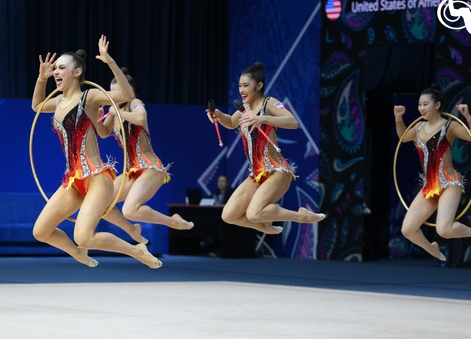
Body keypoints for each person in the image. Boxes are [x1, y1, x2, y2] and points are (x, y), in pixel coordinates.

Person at [31, 35, 161, 268]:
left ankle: (135, 250)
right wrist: (41, 79)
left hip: (97, 176)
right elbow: (37, 106)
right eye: (55, 69)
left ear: (77, 72)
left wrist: (110, 62)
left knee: (85, 237)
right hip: (73, 179)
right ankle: (78, 253)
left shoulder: (89, 97)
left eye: (61, 67)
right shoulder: (58, 102)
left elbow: (125, 95)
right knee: (41, 231)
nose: (56, 72)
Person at [206, 62, 325, 235]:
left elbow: (292, 122)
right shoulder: (245, 109)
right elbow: (232, 122)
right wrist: (218, 115)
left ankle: (301, 216)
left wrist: (263, 119)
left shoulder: (269, 103)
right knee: (229, 215)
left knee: (253, 213)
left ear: (259, 85)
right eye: (240, 85)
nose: (241, 90)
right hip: (257, 174)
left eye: (246, 85)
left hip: (277, 170)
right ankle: (264, 227)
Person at [394, 83, 471, 261]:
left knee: (444, 230)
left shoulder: (450, 126)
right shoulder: (418, 128)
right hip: (430, 186)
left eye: (425, 104)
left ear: (437, 105)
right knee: (407, 229)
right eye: (419, 105)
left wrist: (468, 117)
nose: (421, 108)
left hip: (449, 182)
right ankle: (431, 248)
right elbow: (402, 137)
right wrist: (399, 119)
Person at [96, 68, 194, 230]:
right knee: (100, 202)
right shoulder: (115, 111)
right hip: (131, 171)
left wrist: (119, 112)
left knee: (130, 210)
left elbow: (141, 118)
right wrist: (99, 120)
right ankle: (132, 230)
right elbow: (104, 133)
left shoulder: (135, 103)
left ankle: (172, 221)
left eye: (119, 92)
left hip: (149, 166)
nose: (115, 97)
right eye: (112, 93)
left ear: (130, 91)